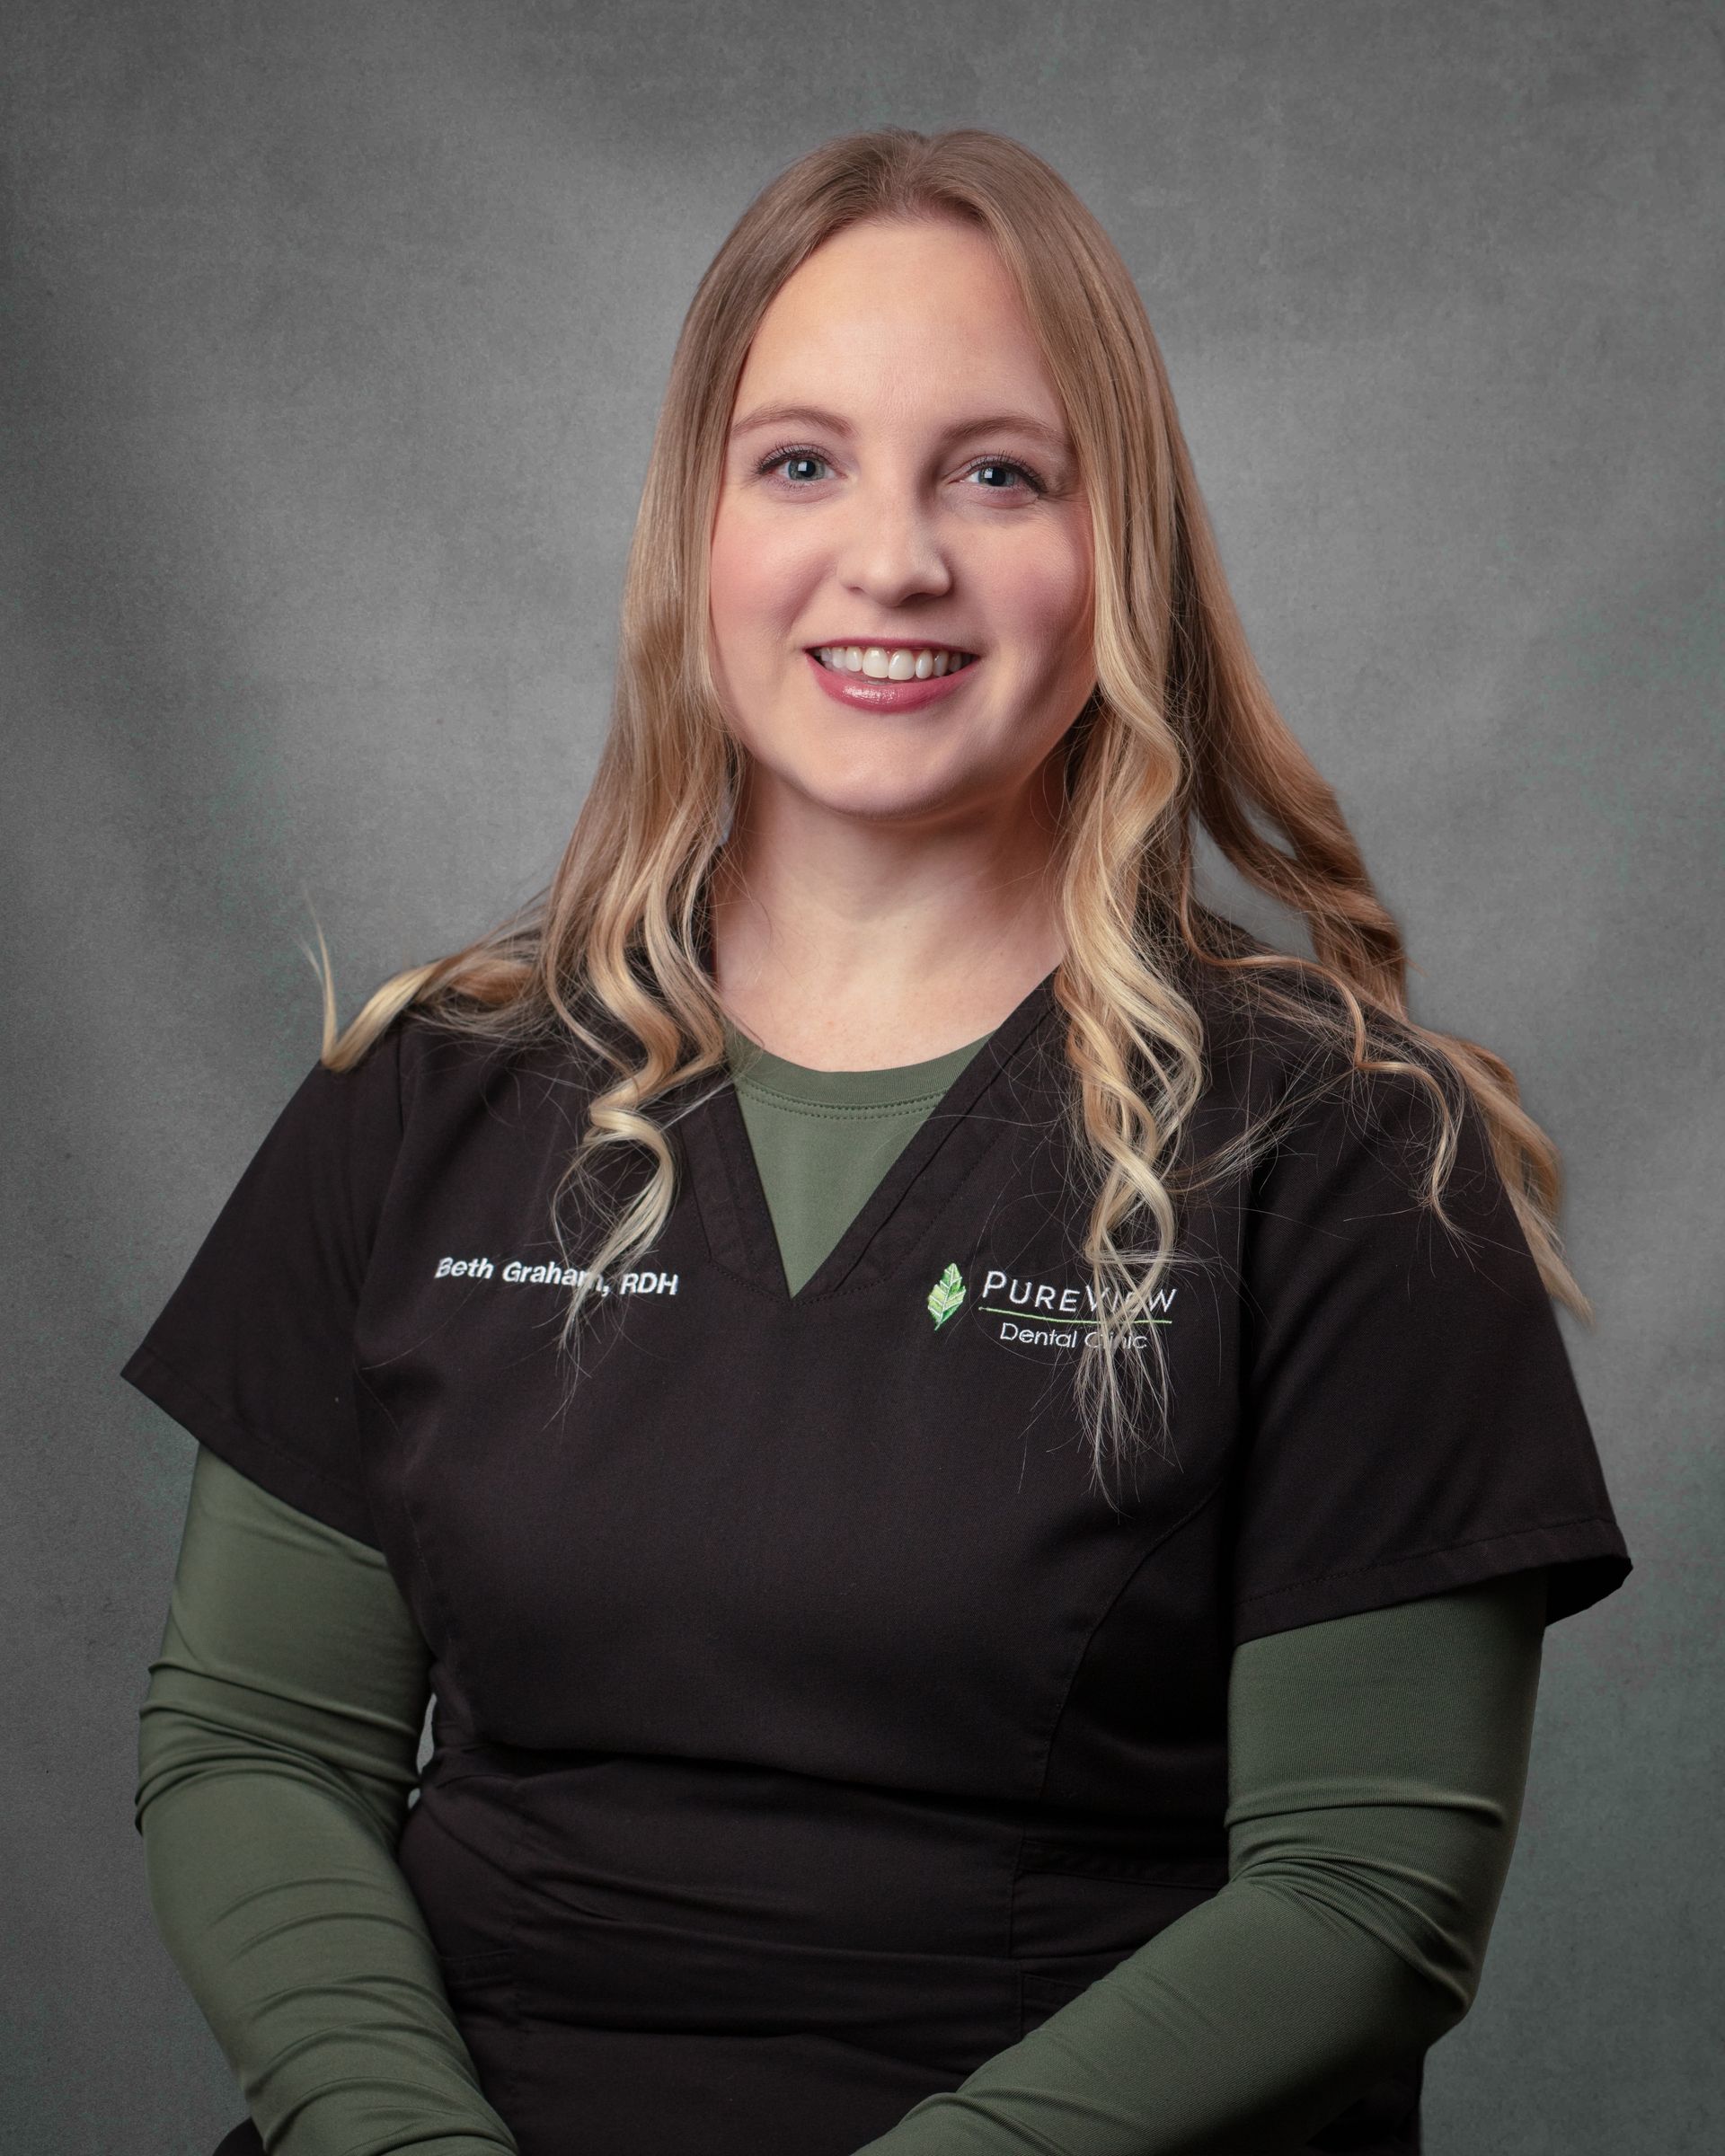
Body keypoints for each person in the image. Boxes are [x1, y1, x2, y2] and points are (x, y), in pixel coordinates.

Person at [126, 128, 1631, 2156]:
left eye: (998, 474)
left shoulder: (1344, 1152)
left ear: (1122, 551)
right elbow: (255, 1749)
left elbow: (1363, 1900)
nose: (895, 559)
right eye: (801, 464)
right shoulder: (426, 1092)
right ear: (698, 528)